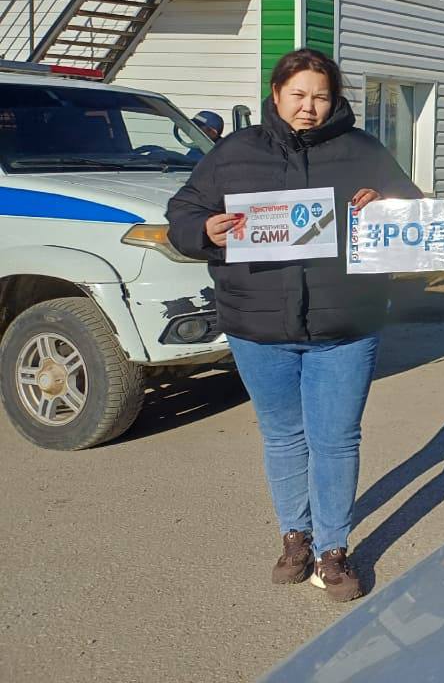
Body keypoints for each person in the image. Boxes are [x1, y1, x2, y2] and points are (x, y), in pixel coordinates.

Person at [166, 49, 419, 602]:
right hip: (256, 325)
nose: (309, 107)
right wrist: (205, 228)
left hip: (346, 323)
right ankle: (295, 537)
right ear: (276, 94)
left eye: (321, 96)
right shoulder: (234, 154)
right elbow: (181, 215)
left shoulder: (362, 150)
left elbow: (415, 210)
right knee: (283, 437)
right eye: (299, 95)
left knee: (335, 439)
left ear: (336, 100)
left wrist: (387, 207)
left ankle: (333, 549)